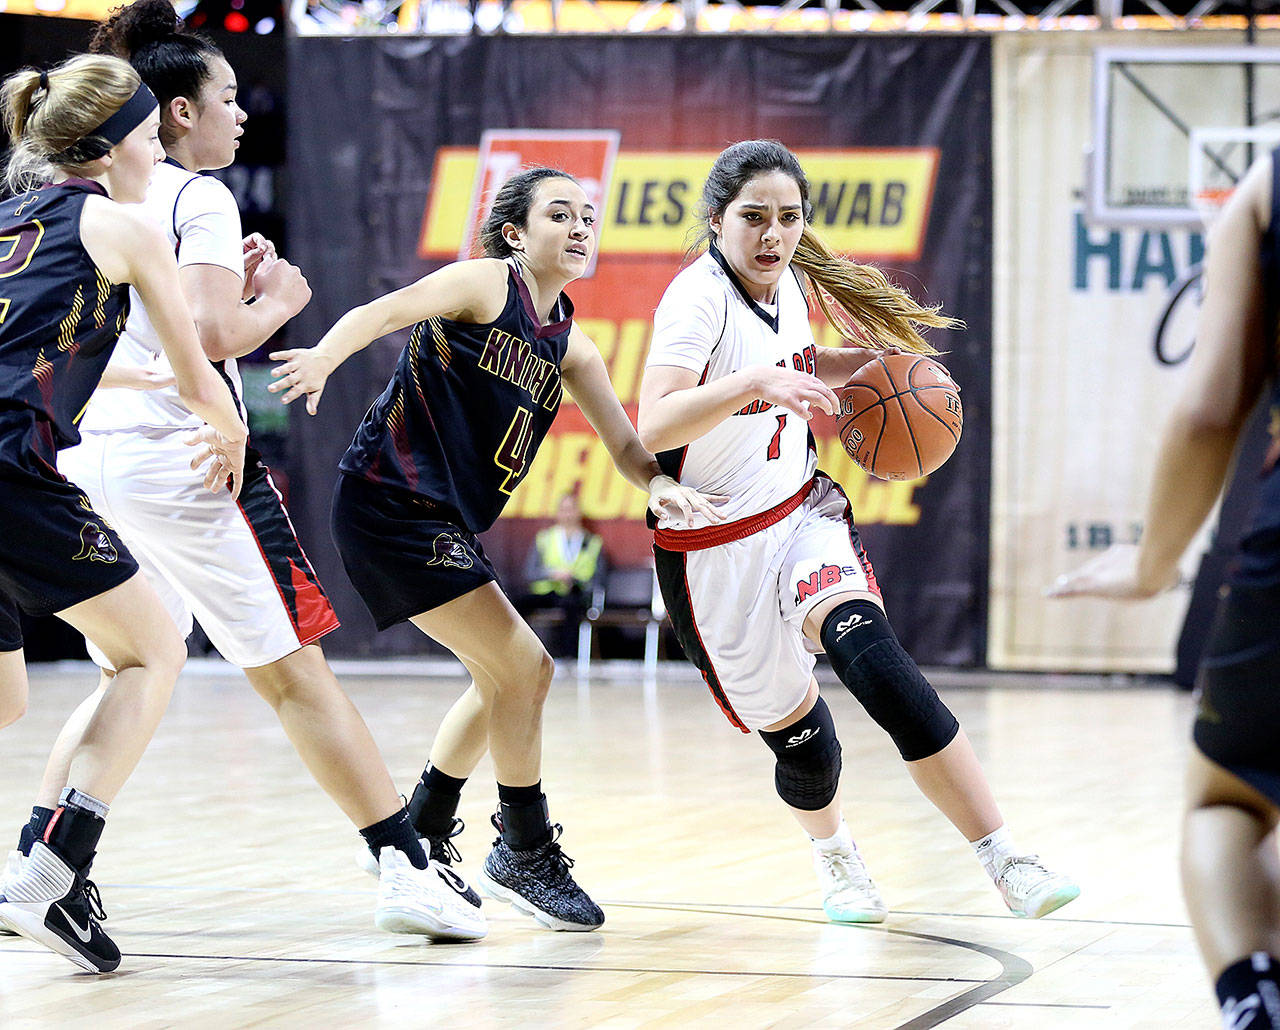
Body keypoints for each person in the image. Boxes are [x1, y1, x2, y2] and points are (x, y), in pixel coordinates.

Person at [0, 0, 483, 949]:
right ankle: (402, 864)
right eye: (225, 96)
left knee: (121, 663)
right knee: (290, 664)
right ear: (164, 119)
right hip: (176, 458)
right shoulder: (182, 198)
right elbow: (213, 341)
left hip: (80, 456)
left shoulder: (30, 211)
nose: (242, 112)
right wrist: (281, 304)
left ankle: (40, 862)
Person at [637, 139, 1079, 925]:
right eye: (753, 219)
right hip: (713, 552)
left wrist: (868, 367)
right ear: (715, 221)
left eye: (788, 218)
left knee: (874, 661)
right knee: (807, 746)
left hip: (800, 512)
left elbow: (799, 358)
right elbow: (657, 417)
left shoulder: (791, 282)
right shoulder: (695, 299)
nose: (773, 236)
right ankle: (835, 856)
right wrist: (754, 382)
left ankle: (1005, 855)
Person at [270, 165, 720, 932]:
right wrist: (322, 357)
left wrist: (658, 486)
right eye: (560, 214)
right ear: (516, 233)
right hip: (389, 503)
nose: (581, 226)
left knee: (498, 680)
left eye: (587, 215)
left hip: (443, 520)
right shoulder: (486, 283)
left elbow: (625, 444)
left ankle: (425, 825)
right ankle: (523, 848)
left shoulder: (572, 348)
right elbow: (387, 311)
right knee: (526, 667)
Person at [0, 53, 248, 973]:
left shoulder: (6, 221)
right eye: (151, 138)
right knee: (155, 647)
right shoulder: (127, 225)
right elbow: (200, 376)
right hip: (10, 470)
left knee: (8, 701)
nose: (160, 154)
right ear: (109, 150)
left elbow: (77, 352)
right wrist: (226, 429)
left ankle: (46, 876)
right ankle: (50, 875)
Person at [1049, 152, 1280, 1029]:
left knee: (1231, 797)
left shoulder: (1263, 188)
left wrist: (1153, 563)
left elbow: (1211, 409)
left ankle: (1254, 998)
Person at [518, 493, 604, 658]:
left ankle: (569, 658)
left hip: (576, 593)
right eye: (564, 509)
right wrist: (551, 574)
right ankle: (519, 654)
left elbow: (599, 579)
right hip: (548, 592)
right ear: (557, 512)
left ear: (579, 512)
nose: (568, 513)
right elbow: (530, 573)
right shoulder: (544, 538)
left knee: (572, 606)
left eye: (571, 509)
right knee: (517, 604)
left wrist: (575, 580)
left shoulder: (593, 542)